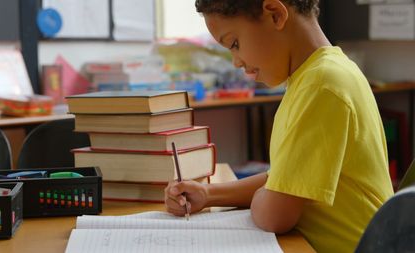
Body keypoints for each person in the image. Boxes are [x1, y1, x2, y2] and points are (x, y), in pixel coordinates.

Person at [164, 1, 394, 252]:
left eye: (235, 44)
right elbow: (285, 181)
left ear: (275, 14)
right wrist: (208, 194)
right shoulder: (317, 75)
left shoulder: (322, 85)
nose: (236, 62)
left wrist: (268, 196)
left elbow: (275, 214)